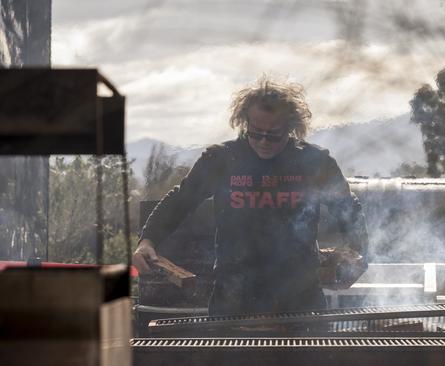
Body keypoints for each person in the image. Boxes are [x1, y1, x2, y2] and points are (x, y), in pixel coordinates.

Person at [133, 77, 369, 316]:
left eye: (274, 135)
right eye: (256, 133)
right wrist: (148, 240)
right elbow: (180, 200)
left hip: (300, 297)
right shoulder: (221, 160)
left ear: (290, 127)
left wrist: (359, 254)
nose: (264, 142)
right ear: (244, 123)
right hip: (234, 297)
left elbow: (348, 209)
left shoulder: (315, 163)